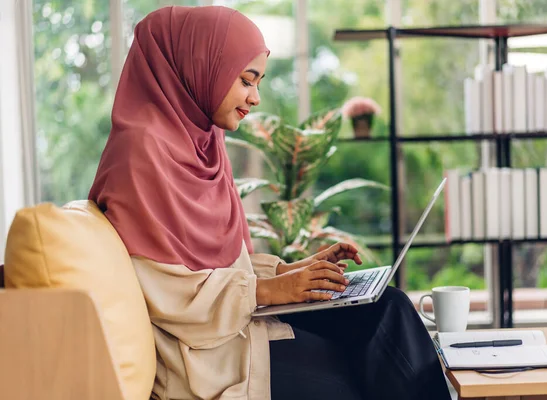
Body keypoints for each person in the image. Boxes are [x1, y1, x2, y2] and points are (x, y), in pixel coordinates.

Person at [89, 5, 451, 400]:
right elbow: (166, 293)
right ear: (200, 65)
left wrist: (291, 270)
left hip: (240, 324)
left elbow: (216, 262)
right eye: (246, 80)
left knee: (390, 307)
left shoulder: (203, 143)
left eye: (258, 82)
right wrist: (271, 290)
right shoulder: (141, 152)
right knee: (356, 377)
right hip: (205, 356)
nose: (256, 98)